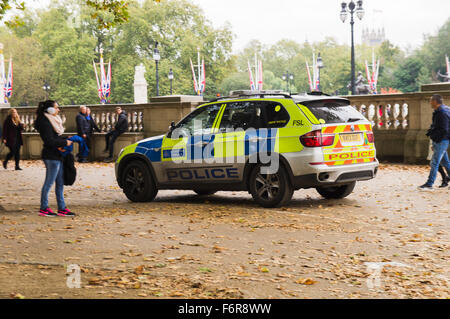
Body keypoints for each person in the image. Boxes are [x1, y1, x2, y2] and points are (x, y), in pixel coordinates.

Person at [34, 100, 76, 217]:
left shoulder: (51, 120)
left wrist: (66, 138)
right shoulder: (45, 122)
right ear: (50, 110)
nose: (58, 110)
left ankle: (62, 208)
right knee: (49, 182)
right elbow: (49, 140)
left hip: (57, 155)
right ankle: (44, 208)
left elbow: (54, 137)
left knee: (60, 183)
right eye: (57, 108)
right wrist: (64, 142)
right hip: (51, 156)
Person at [419, 94, 450, 190]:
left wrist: (435, 139)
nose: (430, 103)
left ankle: (429, 184)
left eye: (431, 101)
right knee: (445, 162)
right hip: (442, 140)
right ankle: (430, 183)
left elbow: (444, 129)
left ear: (435, 102)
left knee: (434, 162)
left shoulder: (441, 112)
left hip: (442, 140)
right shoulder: (443, 110)